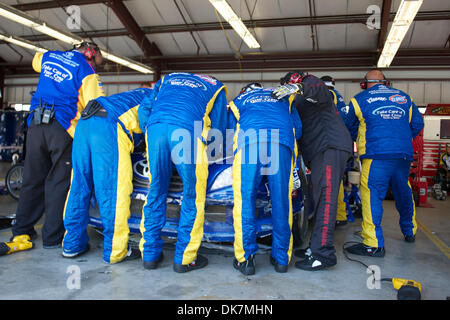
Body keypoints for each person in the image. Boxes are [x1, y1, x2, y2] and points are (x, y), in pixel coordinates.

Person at [4, 42, 104, 254]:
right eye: (97, 61)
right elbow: (95, 105)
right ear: (90, 54)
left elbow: (35, 61)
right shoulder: (87, 71)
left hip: (35, 126)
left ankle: (22, 230)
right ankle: (52, 237)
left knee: (31, 180)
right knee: (59, 183)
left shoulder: (49, 56)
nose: (96, 65)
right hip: (62, 130)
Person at [138, 72, 228, 273]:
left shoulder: (168, 78)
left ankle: (149, 255)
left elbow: (144, 108)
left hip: (156, 128)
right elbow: (219, 130)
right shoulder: (217, 86)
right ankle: (184, 259)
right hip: (188, 131)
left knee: (155, 192)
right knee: (193, 195)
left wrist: (148, 132)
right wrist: (211, 154)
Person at [272, 71, 352, 271]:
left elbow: (320, 91)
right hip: (320, 152)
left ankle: (323, 254)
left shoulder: (310, 83)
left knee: (326, 199)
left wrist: (298, 87)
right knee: (318, 200)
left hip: (329, 147)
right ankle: (315, 247)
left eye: (286, 87)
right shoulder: (300, 102)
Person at [62, 87, 152, 263]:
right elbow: (151, 131)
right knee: (112, 191)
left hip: (85, 121)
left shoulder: (136, 94)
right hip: (109, 127)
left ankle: (72, 245)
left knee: (79, 186)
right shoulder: (158, 100)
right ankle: (116, 251)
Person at [344, 69, 424, 257]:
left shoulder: (359, 99)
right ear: (386, 83)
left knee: (372, 195)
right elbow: (418, 124)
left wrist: (361, 138)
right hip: (402, 154)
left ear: (365, 83)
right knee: (403, 190)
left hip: (376, 154)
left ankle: (373, 244)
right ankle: (410, 231)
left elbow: (349, 125)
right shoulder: (404, 98)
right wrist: (400, 140)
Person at [227, 83, 302, 275]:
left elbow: (228, 132)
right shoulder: (285, 98)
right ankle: (281, 260)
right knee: (281, 201)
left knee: (245, 201)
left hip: (250, 143)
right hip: (281, 143)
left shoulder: (238, 101)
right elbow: (298, 129)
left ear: (245, 91)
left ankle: (246, 261)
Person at [321, 75, 350, 227]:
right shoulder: (338, 97)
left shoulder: (326, 96)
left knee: (331, 182)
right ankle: (340, 214)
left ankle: (336, 216)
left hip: (330, 142)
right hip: (342, 143)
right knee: (337, 181)